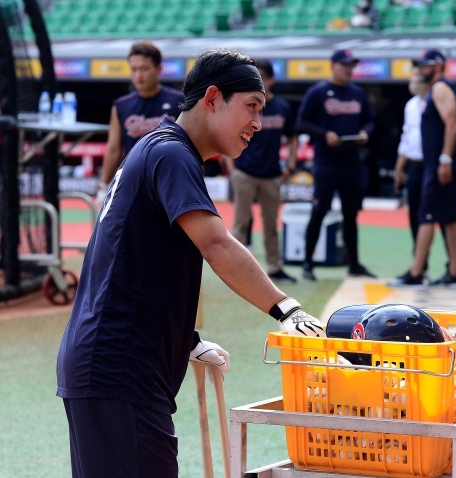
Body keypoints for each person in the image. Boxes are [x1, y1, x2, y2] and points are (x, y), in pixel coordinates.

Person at [56, 49, 325, 478]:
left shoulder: (160, 150)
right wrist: (286, 308)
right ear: (213, 97)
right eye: (251, 107)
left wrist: (185, 338)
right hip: (118, 369)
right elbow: (217, 245)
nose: (258, 122)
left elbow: (138, 261)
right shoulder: (171, 154)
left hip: (112, 366)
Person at [296, 49, 377, 281]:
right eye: (344, 65)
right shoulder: (318, 92)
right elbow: (303, 121)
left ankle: (353, 263)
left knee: (351, 214)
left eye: (352, 65)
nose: (349, 69)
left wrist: (365, 133)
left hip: (352, 161)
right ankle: (308, 263)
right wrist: (324, 135)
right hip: (326, 161)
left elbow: (370, 120)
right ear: (333, 65)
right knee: (319, 211)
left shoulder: (358, 93)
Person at [391, 49, 456, 287]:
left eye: (424, 65)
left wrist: (445, 159)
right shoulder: (433, 91)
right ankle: (454, 271)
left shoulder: (441, 88)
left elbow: (452, 124)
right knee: (450, 218)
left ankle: (416, 271)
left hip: (438, 164)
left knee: (426, 217)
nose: (419, 69)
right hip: (439, 162)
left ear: (438, 65)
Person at [225, 59, 298, 284]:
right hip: (244, 171)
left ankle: (274, 268)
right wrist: (232, 168)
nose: (261, 81)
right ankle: (233, 271)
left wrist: (291, 166)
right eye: (256, 76)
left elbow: (292, 139)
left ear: (272, 79)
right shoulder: (244, 104)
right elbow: (227, 132)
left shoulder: (282, 107)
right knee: (241, 223)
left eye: (264, 76)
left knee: (270, 225)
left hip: (272, 174)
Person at [97, 41, 184, 205]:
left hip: (171, 179)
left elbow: (191, 144)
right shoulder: (121, 106)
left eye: (144, 69)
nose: (138, 75)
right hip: (134, 182)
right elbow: (114, 148)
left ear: (159, 69)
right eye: (134, 69)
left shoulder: (178, 101)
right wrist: (103, 186)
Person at [391, 69, 446, 284]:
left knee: (432, 216)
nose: (412, 81)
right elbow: (407, 136)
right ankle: (419, 264)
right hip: (414, 164)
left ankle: (439, 266)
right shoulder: (411, 104)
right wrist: (399, 167)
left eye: (416, 77)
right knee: (415, 216)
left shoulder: (435, 100)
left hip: (431, 164)